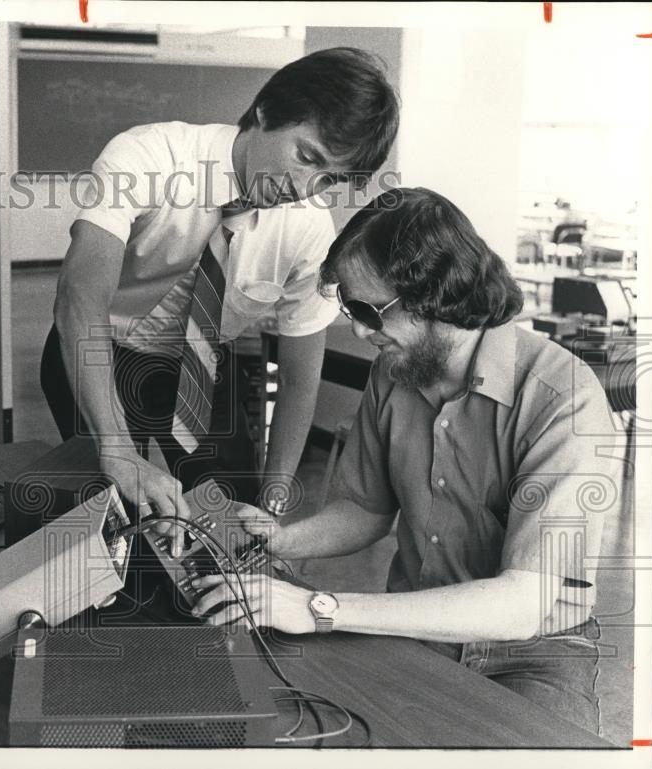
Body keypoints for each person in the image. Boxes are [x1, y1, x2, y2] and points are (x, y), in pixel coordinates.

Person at [191, 187, 620, 735]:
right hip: (414, 629)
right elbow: (367, 510)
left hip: (533, 653)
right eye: (350, 308)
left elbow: (522, 604)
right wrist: (280, 540)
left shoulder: (564, 399)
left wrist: (320, 608)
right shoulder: (394, 374)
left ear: (435, 293)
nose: (359, 330)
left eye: (369, 310)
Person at [41, 48, 400, 558]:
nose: (304, 188)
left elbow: (299, 378)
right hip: (99, 348)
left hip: (201, 367)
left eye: (330, 179)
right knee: (111, 521)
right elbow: (79, 299)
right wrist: (118, 450)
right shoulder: (149, 155)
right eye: (307, 157)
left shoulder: (309, 228)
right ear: (265, 112)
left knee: (232, 532)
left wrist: (272, 503)